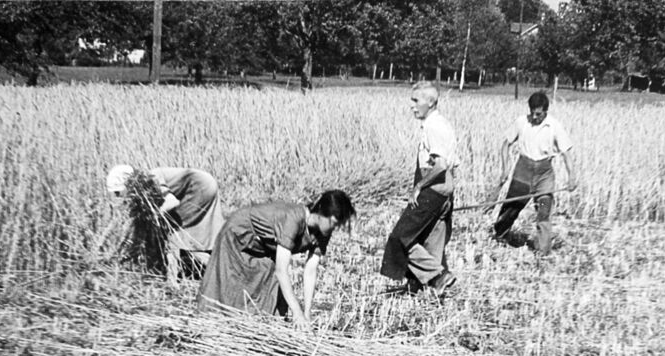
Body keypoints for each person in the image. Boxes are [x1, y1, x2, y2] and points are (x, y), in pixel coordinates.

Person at [197, 190, 355, 325]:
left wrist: (306, 314)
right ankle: (218, 325)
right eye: (334, 222)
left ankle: (254, 327)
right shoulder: (293, 219)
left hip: (263, 246)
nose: (336, 228)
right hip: (238, 235)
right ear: (321, 213)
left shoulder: (323, 232)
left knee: (268, 288)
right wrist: (296, 313)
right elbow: (281, 270)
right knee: (228, 286)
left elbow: (310, 271)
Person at [380, 82, 457, 296]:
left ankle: (438, 276)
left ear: (431, 102)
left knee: (400, 239)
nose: (411, 105)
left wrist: (419, 187)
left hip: (432, 189)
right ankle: (421, 290)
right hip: (444, 192)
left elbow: (440, 166)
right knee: (432, 243)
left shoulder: (434, 127)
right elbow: (452, 166)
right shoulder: (442, 124)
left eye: (416, 101)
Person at [491, 91, 577, 255]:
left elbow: (566, 152)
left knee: (544, 210)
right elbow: (505, 145)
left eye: (538, 114)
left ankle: (543, 250)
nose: (535, 117)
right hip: (523, 170)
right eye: (532, 113)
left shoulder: (554, 126)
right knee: (512, 207)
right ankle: (500, 235)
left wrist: (572, 176)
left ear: (546, 111)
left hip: (544, 174)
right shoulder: (521, 122)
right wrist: (505, 168)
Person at [106, 164, 224, 272]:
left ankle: (176, 279)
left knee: (178, 236)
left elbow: (172, 202)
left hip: (199, 188)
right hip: (206, 184)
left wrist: (154, 216)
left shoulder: (151, 179)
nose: (119, 198)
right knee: (188, 237)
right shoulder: (143, 189)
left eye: (118, 193)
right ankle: (222, 267)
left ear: (128, 184)